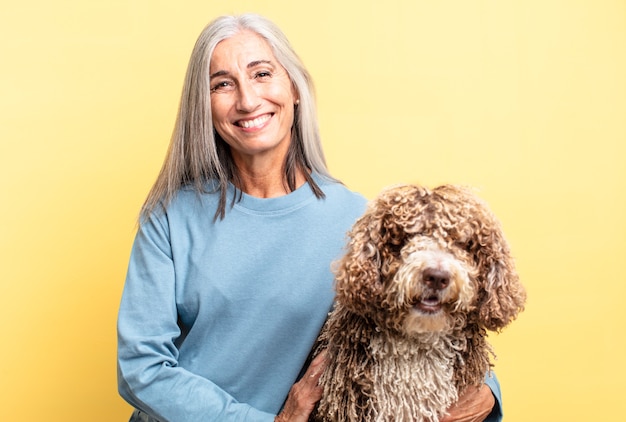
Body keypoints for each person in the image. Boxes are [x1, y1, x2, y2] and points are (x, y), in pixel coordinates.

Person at [117, 13, 503, 422]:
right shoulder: (170, 217)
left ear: (294, 88)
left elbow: (429, 314)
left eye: (262, 73)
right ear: (204, 105)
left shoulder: (357, 219)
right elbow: (141, 369)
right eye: (222, 84)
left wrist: (489, 391)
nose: (247, 100)